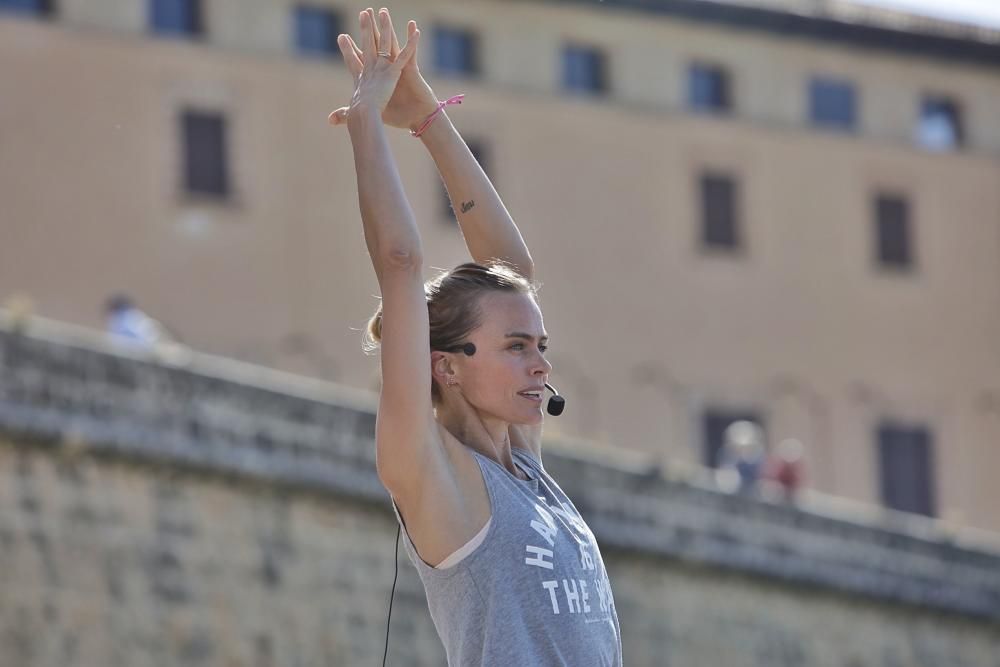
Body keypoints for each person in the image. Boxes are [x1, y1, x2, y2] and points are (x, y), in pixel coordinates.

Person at [331, 8, 622, 666]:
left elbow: (511, 271)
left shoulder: (523, 460)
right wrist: (365, 127)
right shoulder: (436, 475)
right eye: (517, 347)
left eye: (540, 345)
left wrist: (429, 119)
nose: (539, 363)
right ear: (448, 367)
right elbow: (401, 266)